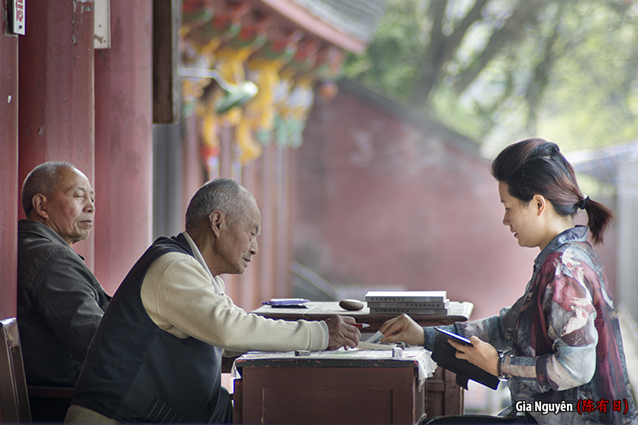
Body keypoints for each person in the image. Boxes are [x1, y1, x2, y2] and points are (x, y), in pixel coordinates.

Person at [379, 139, 637, 425]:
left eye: (509, 207)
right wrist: (425, 336)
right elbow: (507, 326)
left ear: (538, 204)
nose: (505, 220)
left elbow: (576, 368)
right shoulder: (563, 258)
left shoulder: (564, 270)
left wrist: (499, 365)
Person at [65, 178, 361, 424]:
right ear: (217, 222)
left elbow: (233, 338)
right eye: (252, 232)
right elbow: (229, 329)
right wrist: (319, 334)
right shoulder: (173, 267)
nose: (255, 247)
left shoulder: (200, 274)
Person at [18, 162, 111, 420]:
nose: (91, 206)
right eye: (78, 195)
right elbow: (98, 344)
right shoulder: (50, 257)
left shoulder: (35, 247)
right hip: (62, 403)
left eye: (91, 198)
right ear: (41, 205)